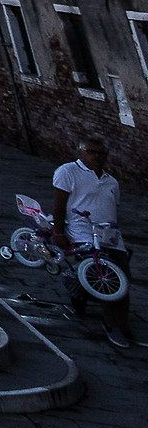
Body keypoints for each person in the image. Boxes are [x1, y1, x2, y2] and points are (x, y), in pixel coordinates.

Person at [52, 137, 133, 349]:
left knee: (123, 278)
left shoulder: (111, 182)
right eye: (91, 152)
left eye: (101, 153)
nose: (96, 156)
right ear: (81, 153)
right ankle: (112, 324)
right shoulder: (68, 172)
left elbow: (112, 211)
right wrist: (58, 231)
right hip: (82, 233)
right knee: (105, 276)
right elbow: (59, 205)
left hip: (110, 236)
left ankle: (121, 323)